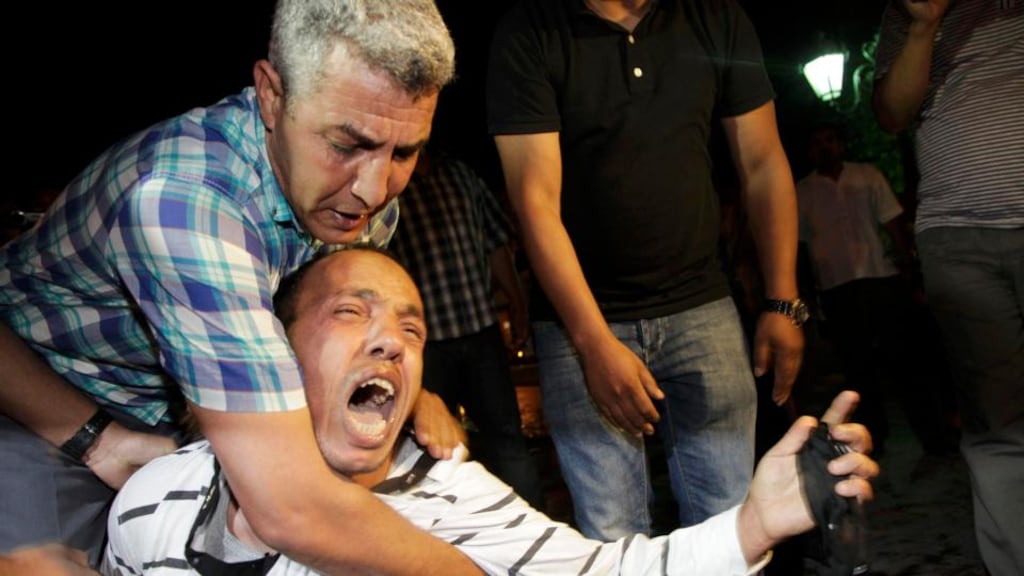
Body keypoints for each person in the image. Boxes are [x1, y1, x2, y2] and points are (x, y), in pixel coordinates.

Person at [0, 1, 481, 573]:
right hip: (44, 401)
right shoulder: (185, 201)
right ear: (272, 96)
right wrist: (97, 440)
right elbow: (290, 509)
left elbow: (332, 333)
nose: (374, 190)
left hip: (191, 417)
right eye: (346, 144)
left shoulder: (354, 199)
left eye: (404, 151)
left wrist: (403, 392)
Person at [102, 246, 879, 576]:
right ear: (273, 347)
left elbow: (606, 570)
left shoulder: (452, 498)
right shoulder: (154, 499)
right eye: (351, 313)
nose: (391, 342)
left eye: (411, 327)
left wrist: (753, 523)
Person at [485, 0, 806, 540]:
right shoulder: (529, 30)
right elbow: (534, 202)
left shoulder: (716, 16)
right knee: (612, 539)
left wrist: (782, 299)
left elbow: (762, 162)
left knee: (729, 528)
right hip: (577, 324)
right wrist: (592, 343)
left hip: (704, 306)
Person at [873, 1, 1023, 574]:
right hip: (957, 235)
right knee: (997, 426)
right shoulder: (909, 7)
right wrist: (924, 24)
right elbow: (891, 113)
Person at [388, 144, 546, 510]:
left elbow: (496, 245)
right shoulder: (393, 187)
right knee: (435, 447)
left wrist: (518, 304)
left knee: (507, 440)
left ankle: (531, 523)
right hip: (426, 346)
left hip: (480, 333)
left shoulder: (461, 175)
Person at [795, 121, 958, 457]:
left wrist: (909, 272)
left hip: (880, 277)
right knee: (857, 368)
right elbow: (800, 248)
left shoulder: (866, 175)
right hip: (837, 286)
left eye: (830, 139)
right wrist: (809, 298)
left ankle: (934, 435)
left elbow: (893, 223)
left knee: (905, 360)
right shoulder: (802, 191)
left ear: (840, 143)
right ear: (810, 150)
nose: (825, 147)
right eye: (817, 142)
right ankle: (872, 440)